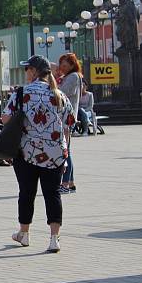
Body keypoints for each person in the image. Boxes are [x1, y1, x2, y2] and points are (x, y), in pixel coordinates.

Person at [3, 55, 74, 253]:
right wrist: (65, 151)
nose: (25, 72)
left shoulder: (21, 93)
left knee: (27, 193)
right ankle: (54, 238)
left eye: (27, 69)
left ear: (33, 71)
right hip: (55, 153)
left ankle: (24, 234)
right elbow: (69, 124)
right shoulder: (58, 95)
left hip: (27, 151)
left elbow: (6, 118)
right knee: (53, 194)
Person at [58, 53, 82, 194]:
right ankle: (70, 183)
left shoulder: (73, 77)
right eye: (61, 64)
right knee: (68, 150)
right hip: (67, 117)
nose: (62, 67)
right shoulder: (70, 76)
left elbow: (63, 92)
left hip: (67, 118)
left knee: (66, 151)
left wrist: (55, 85)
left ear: (72, 65)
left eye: (65, 65)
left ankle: (65, 183)